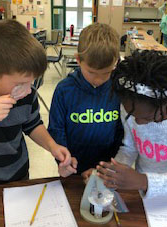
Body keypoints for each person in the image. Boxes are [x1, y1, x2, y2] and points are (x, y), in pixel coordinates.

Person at [0, 20, 71, 190]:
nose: (28, 90)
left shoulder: (27, 93)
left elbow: (33, 125)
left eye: (31, 82)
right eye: (20, 83)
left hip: (18, 178)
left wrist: (53, 146)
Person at [97, 50, 167, 199]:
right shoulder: (130, 105)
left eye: (147, 118)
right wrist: (113, 174)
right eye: (132, 116)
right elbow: (129, 147)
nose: (138, 123)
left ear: (164, 103)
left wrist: (143, 181)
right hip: (144, 190)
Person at [48, 23, 124, 180]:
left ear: (116, 62)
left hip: (107, 170)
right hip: (72, 167)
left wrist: (111, 165)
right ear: (78, 60)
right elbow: (57, 130)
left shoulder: (119, 89)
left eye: (106, 73)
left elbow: (122, 132)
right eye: (91, 72)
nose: (98, 79)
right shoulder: (64, 90)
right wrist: (64, 160)